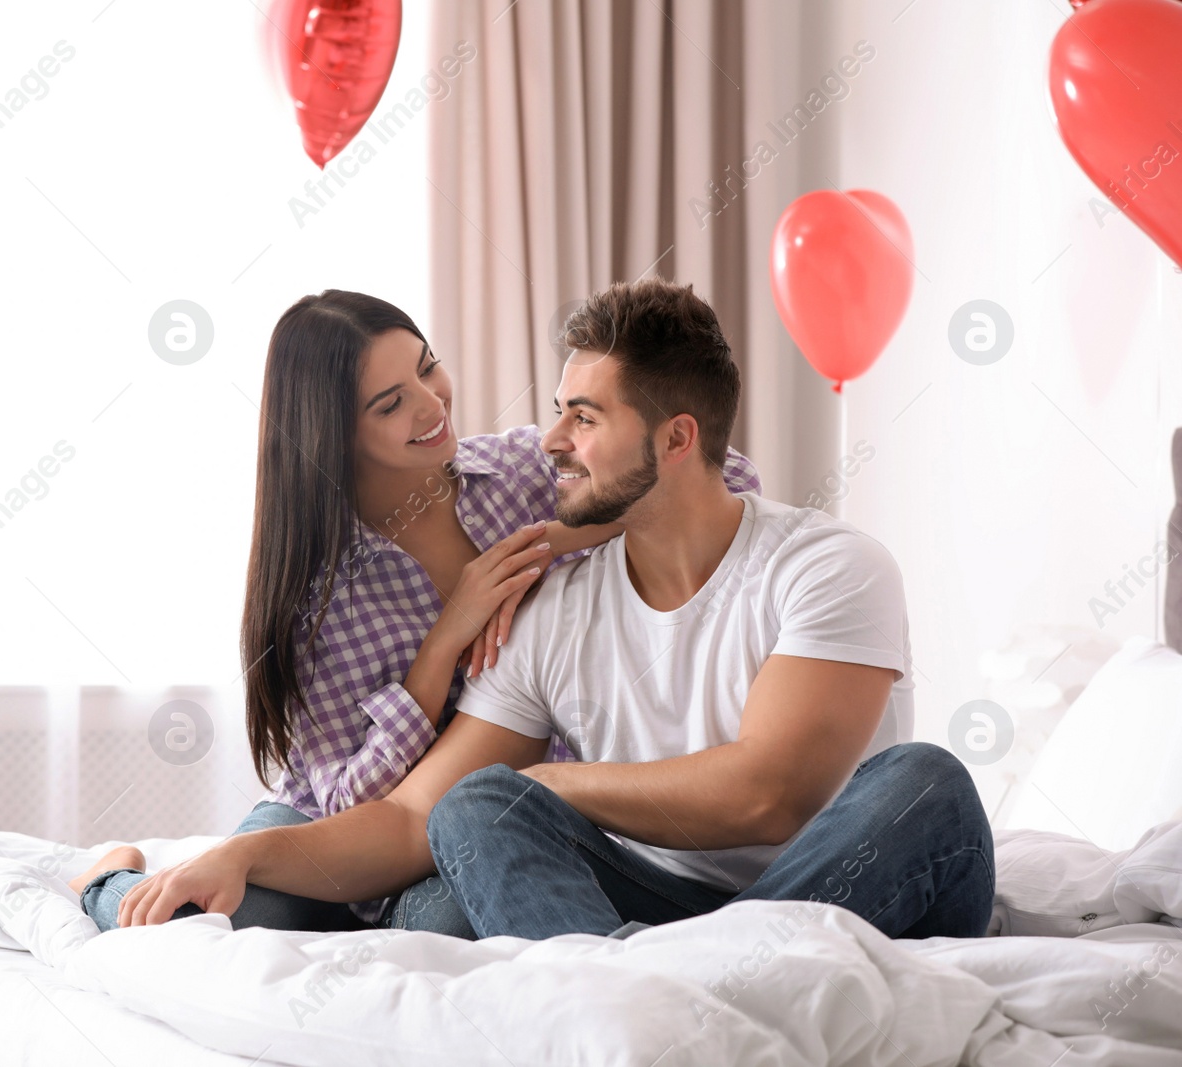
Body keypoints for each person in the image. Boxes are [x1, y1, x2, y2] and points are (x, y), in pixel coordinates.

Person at [110, 277, 995, 942]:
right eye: (391, 401)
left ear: (676, 437)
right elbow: (415, 814)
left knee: (924, 783)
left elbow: (768, 795)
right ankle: (674, 986)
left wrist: (546, 777)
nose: (548, 440)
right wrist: (247, 854)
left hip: (824, 876)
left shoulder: (830, 564)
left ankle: (673, 978)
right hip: (643, 896)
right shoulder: (535, 614)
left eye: (581, 417)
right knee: (462, 815)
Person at [71, 289, 762, 936]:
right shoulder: (317, 593)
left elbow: (720, 476)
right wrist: (442, 644)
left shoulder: (522, 475)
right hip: (337, 834)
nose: (433, 405)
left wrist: (545, 540)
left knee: (446, 924)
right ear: (334, 432)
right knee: (194, 925)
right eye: (392, 403)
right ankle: (107, 878)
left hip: (480, 824)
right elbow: (347, 801)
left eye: (429, 368)